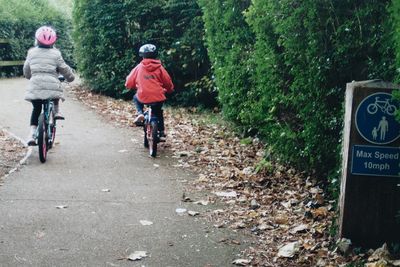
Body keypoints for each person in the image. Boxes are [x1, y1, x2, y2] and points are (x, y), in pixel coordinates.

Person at [23, 26, 75, 146]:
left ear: (37, 40)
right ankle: (56, 112)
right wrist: (71, 78)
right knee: (55, 89)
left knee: (36, 109)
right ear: (54, 41)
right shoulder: (56, 54)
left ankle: (31, 134)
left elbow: (26, 71)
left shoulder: (31, 53)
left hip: (35, 86)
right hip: (52, 85)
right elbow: (64, 69)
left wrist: (31, 76)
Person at [125, 44, 174, 139]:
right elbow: (167, 81)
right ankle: (162, 132)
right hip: (158, 96)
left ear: (142, 56)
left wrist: (129, 86)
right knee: (158, 112)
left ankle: (140, 113)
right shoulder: (160, 68)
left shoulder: (139, 67)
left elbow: (129, 81)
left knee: (136, 97)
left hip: (143, 95)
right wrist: (169, 89)